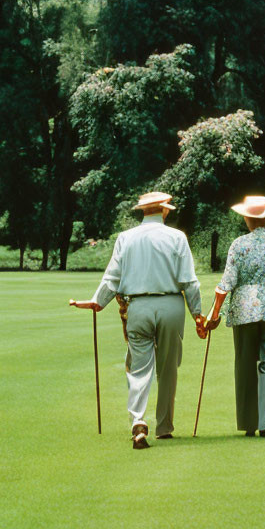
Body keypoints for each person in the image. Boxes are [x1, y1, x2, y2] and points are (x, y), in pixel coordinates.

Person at [71, 192, 204, 449]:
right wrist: (197, 314)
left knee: (139, 366)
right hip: (171, 305)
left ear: (142, 211)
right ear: (164, 211)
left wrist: (98, 301)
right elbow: (189, 281)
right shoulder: (177, 237)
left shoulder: (126, 238)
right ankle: (164, 426)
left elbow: (112, 277)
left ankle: (138, 421)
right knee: (168, 368)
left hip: (138, 306)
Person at [201, 195, 265, 437]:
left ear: (247, 218)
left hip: (244, 309)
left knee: (245, 364)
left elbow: (226, 284)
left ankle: (248, 423)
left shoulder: (239, 244)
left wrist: (214, 315)